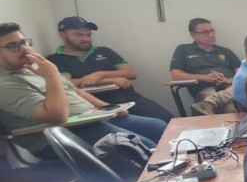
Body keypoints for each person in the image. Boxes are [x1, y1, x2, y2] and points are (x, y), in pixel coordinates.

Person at [0, 23, 165, 158]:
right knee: (142, 147)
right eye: (14, 46)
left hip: (91, 119)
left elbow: (75, 91)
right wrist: (51, 76)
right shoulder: (5, 84)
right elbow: (57, 116)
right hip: (62, 135)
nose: (25, 49)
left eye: (24, 42)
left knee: (159, 127)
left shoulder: (32, 68)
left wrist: (108, 108)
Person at [47, 16, 173, 122]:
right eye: (79, 35)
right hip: (96, 106)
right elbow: (67, 84)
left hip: (129, 99)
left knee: (168, 119)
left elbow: (130, 73)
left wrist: (100, 74)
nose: (86, 39)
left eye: (88, 35)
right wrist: (111, 79)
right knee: (152, 127)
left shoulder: (104, 51)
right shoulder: (56, 60)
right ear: (62, 35)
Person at [169, 18, 241, 115]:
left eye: (212, 31)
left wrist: (229, 80)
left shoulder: (225, 51)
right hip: (207, 89)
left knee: (241, 92)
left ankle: (210, 102)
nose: (211, 35)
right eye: (205, 32)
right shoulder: (183, 50)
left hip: (230, 86)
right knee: (228, 106)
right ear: (193, 35)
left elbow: (242, 73)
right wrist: (204, 78)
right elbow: (175, 75)